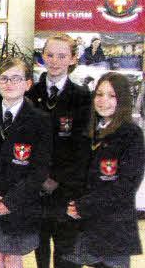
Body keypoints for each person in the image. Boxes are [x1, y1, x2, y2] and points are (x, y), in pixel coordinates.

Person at [0, 58, 52, 268]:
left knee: (12, 257)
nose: (9, 83)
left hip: (20, 202)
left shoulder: (40, 120)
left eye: (16, 78)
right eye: (4, 78)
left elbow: (40, 169)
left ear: (27, 84)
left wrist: (11, 201)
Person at [63, 72, 145, 268]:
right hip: (79, 227)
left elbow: (125, 185)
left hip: (112, 228)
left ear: (123, 99)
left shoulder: (131, 134)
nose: (103, 101)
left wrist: (83, 207)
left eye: (112, 95)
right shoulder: (87, 131)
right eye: (99, 94)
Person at [25, 32, 91, 268]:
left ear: (72, 59)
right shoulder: (30, 94)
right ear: (42, 56)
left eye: (61, 56)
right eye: (50, 55)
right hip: (36, 186)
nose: (54, 61)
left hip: (68, 186)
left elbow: (82, 148)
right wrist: (40, 177)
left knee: (66, 250)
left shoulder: (82, 97)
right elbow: (26, 142)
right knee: (40, 248)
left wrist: (57, 178)